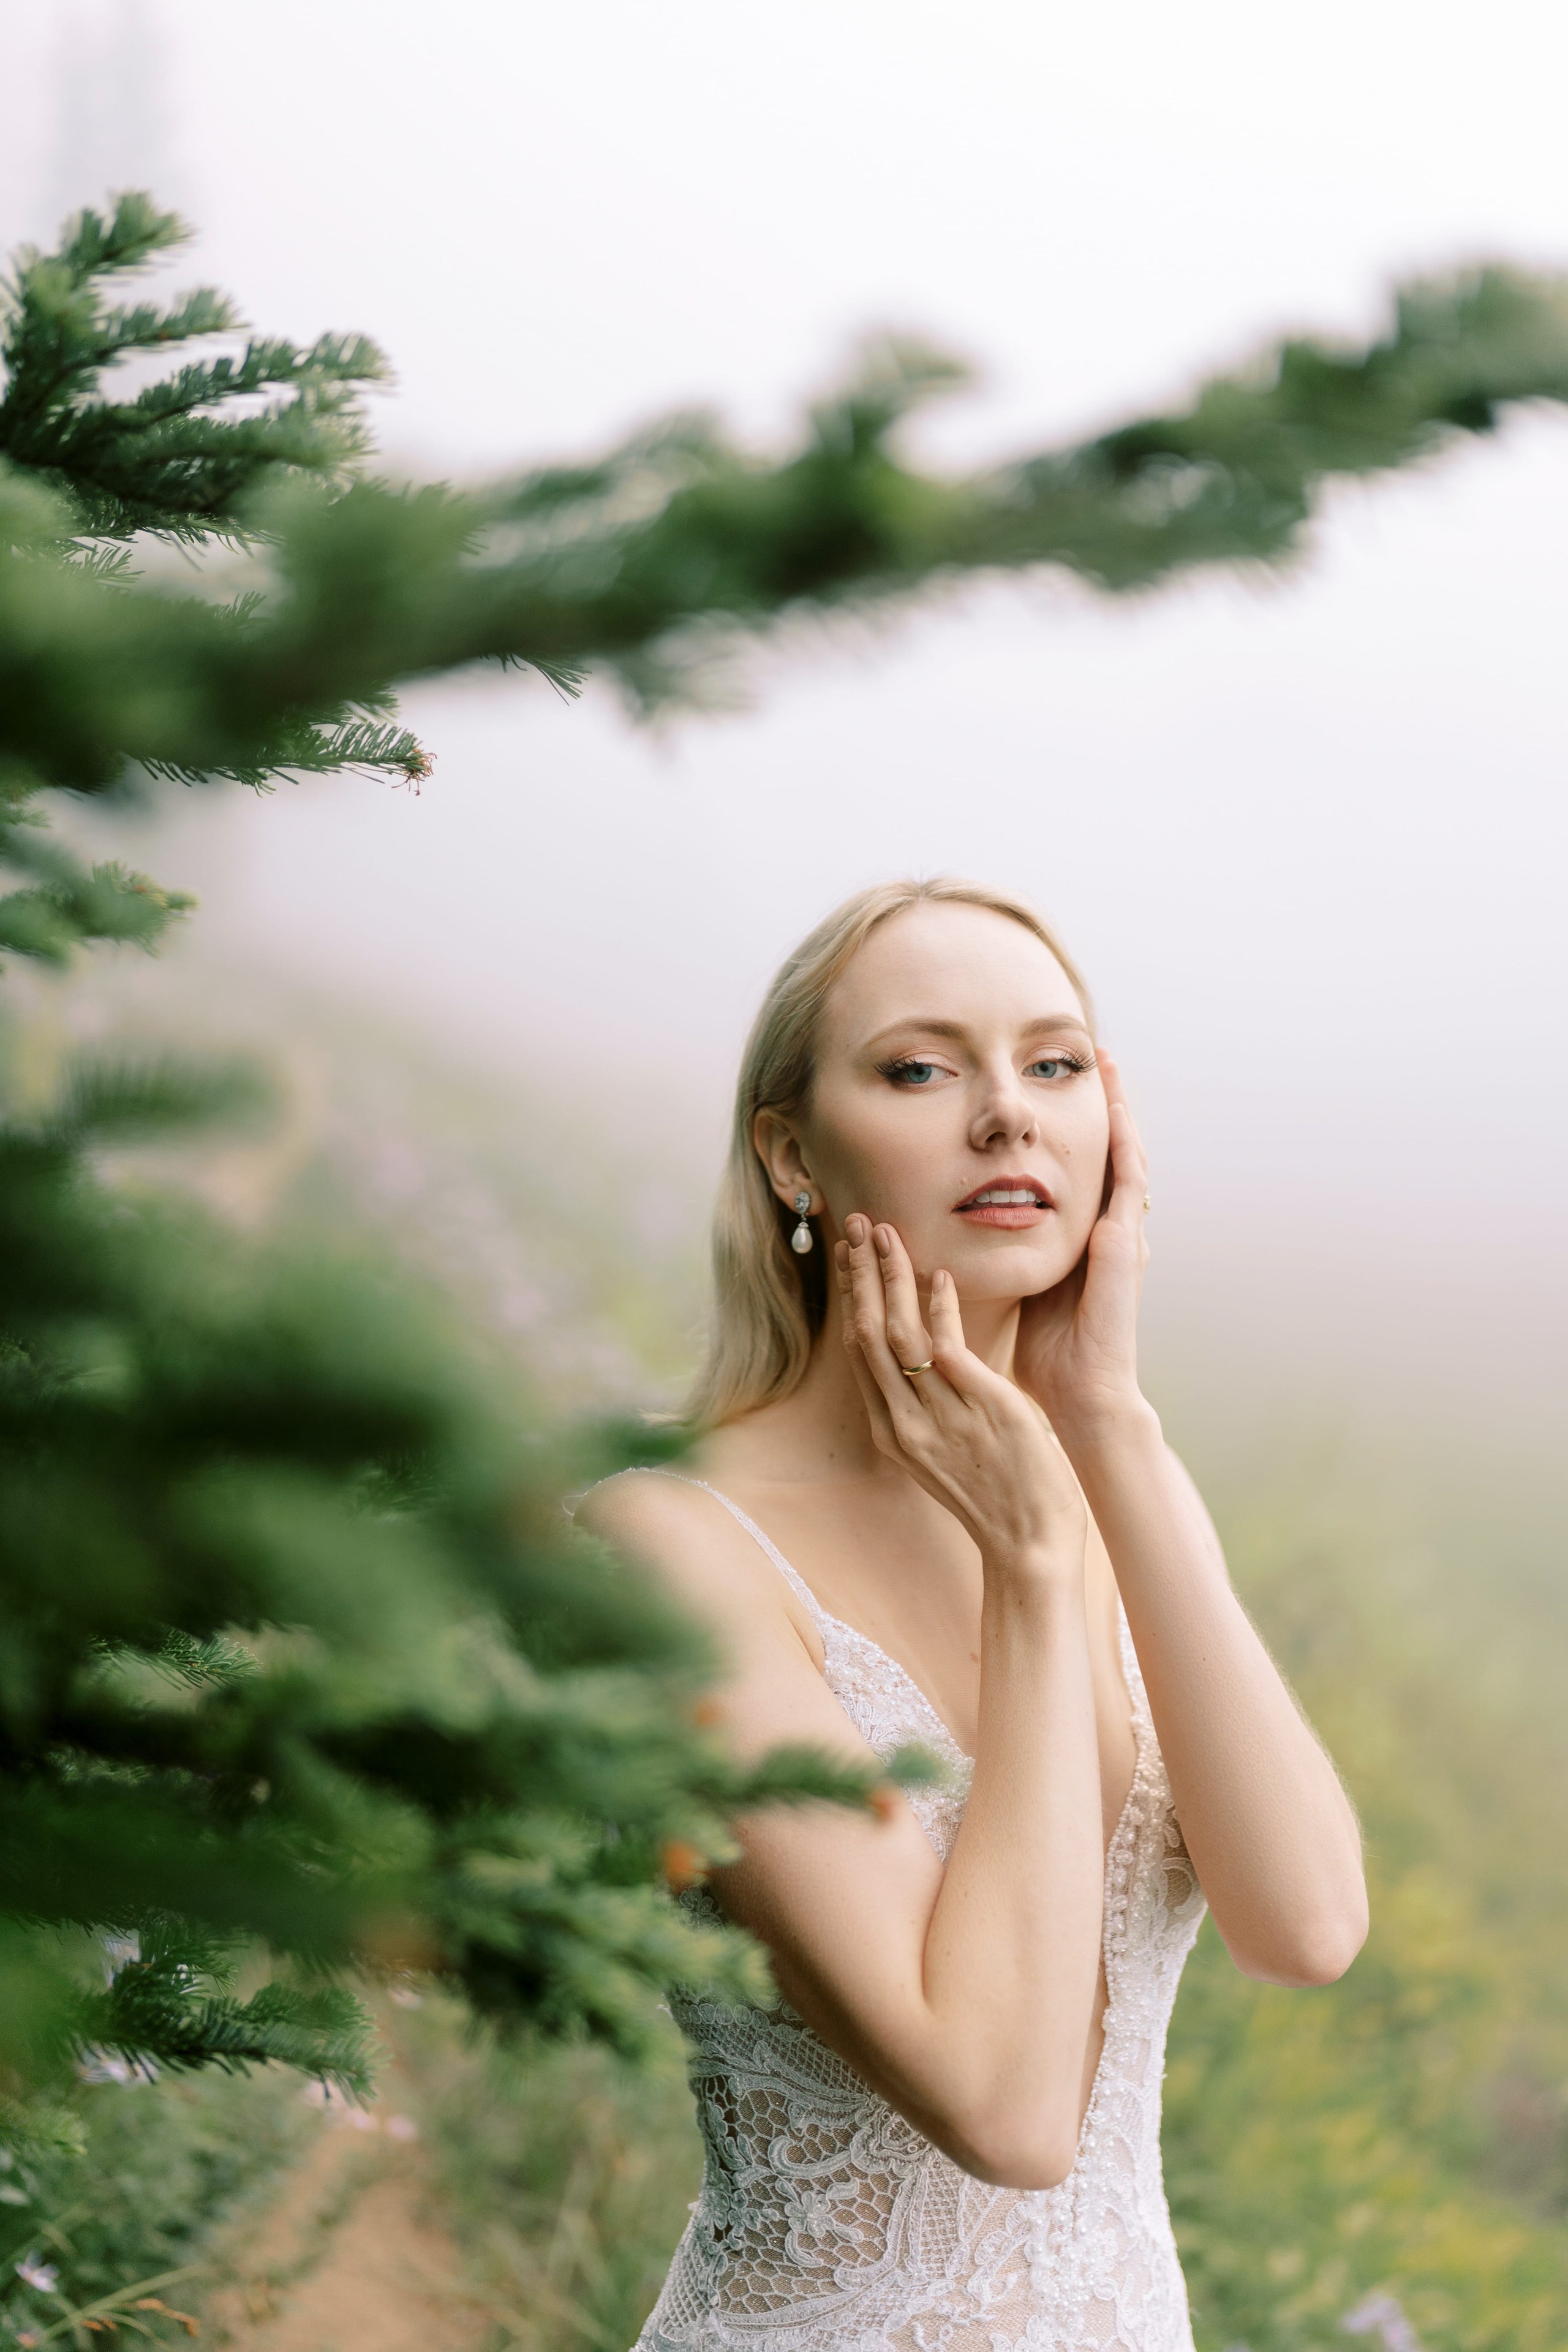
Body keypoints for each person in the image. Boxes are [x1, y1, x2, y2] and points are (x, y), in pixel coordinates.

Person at [580, 877, 1368, 2352]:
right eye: (921, 1069)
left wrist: (1107, 1426)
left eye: (1054, 1064)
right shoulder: (672, 1547)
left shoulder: (1105, 1482)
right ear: (791, 1155)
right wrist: (1026, 1573)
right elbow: (1003, 2109)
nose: (1007, 1117)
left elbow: (1305, 1924)